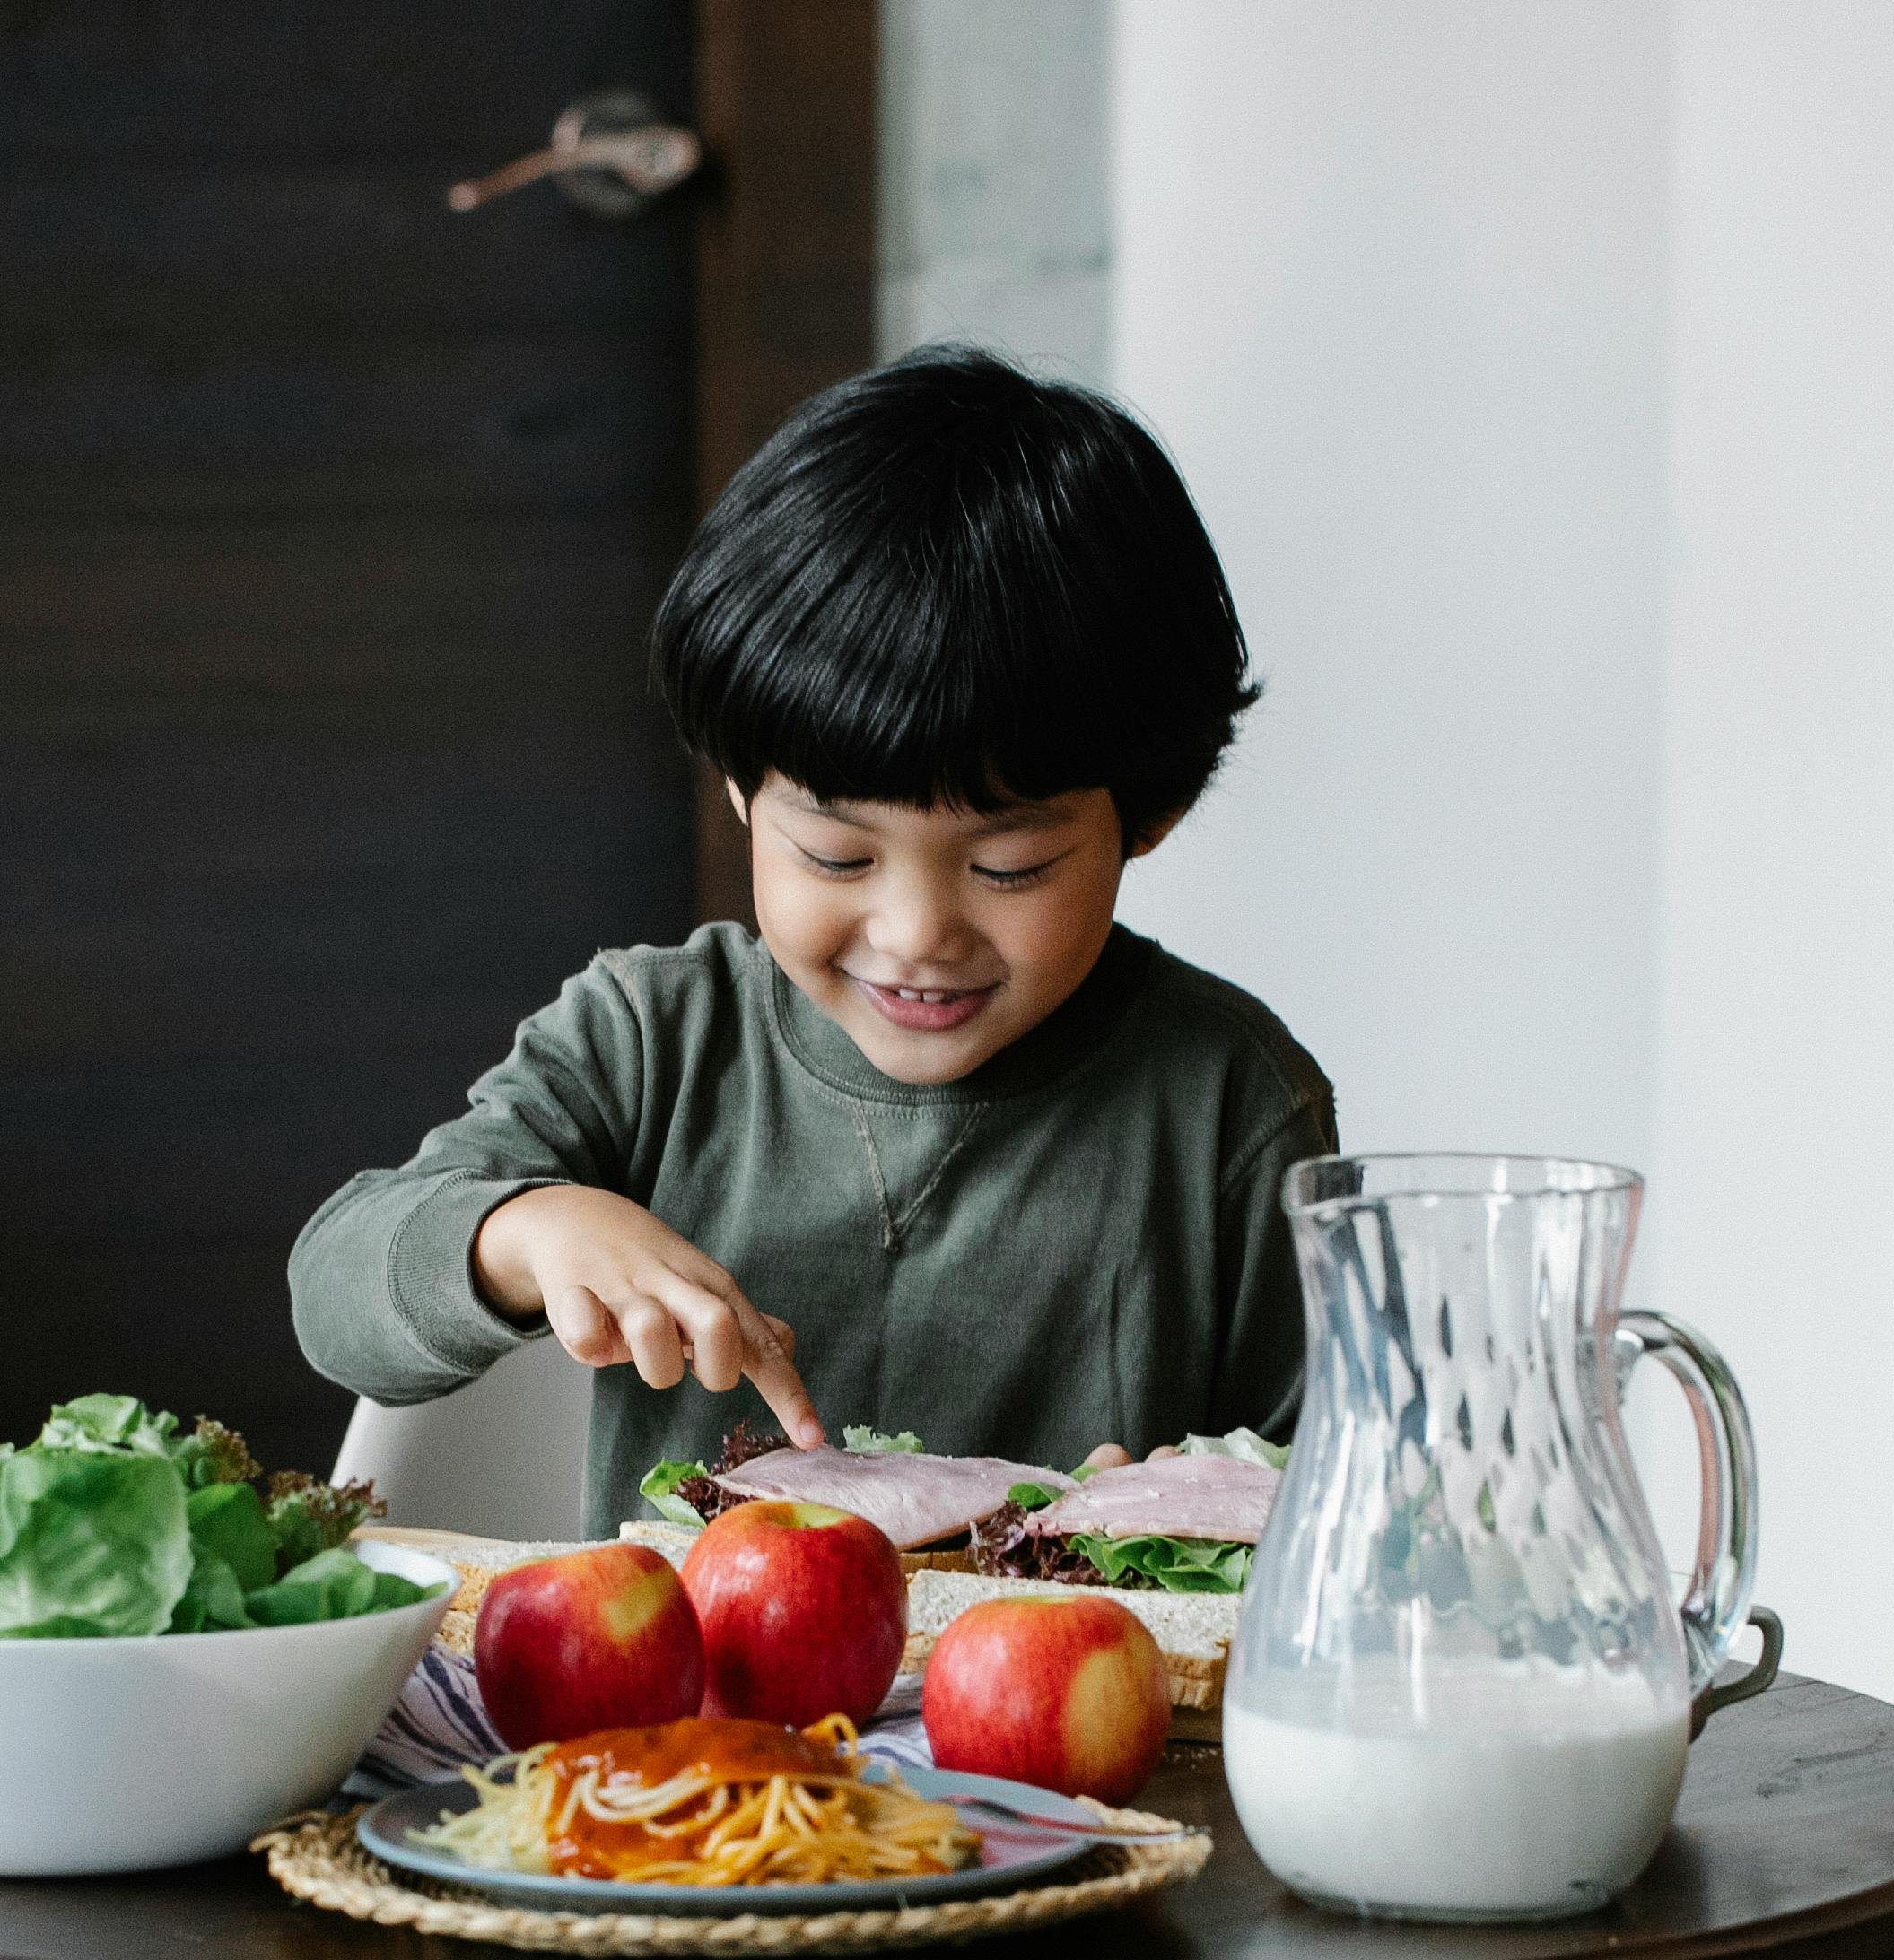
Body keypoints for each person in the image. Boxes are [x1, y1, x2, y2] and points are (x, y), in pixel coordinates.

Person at [292, 346, 1334, 1534]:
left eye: (1010, 867)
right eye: (838, 856)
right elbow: (336, 1288)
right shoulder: (651, 1042)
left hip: (1072, 1713)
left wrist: (1198, 1501)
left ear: (1149, 815)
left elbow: (1333, 1495)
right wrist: (521, 1230)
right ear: (741, 791)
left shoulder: (1226, 1106)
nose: (915, 931)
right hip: (687, 1711)